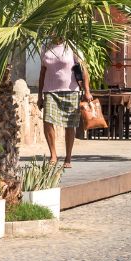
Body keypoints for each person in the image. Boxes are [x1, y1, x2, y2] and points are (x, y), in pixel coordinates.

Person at [37, 38, 88, 169]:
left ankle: (68, 157)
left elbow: (84, 70)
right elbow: (42, 73)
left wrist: (87, 91)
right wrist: (39, 96)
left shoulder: (72, 45)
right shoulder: (45, 47)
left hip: (71, 91)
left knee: (70, 124)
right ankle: (53, 155)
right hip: (50, 91)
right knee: (47, 121)